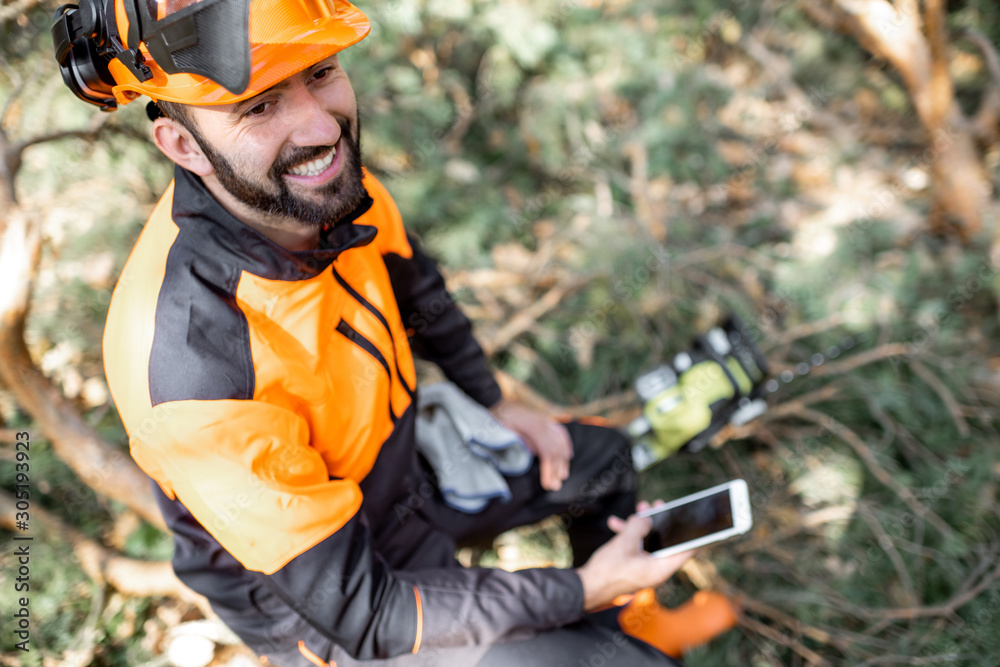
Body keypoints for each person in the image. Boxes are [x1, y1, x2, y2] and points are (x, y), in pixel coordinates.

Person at [70, 0, 735, 664]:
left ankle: (632, 627)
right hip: (327, 600)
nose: (320, 127)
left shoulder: (324, 189)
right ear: (183, 144)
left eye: (321, 71)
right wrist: (580, 589)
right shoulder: (191, 367)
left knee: (604, 460)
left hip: (400, 474)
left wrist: (494, 401)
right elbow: (368, 612)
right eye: (259, 106)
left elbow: (419, 291)